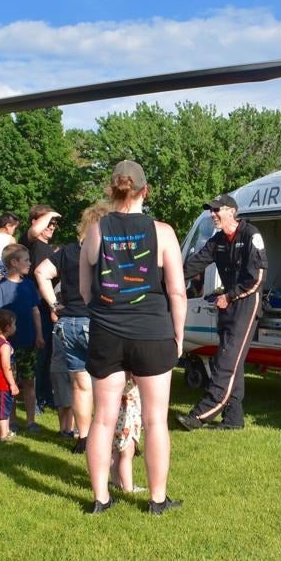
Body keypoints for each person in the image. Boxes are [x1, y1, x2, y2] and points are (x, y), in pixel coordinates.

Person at [80, 160, 186, 514]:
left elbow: (85, 290)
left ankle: (101, 498)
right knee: (155, 419)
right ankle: (157, 499)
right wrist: (179, 335)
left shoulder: (96, 230)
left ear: (112, 189)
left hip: (107, 332)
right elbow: (177, 292)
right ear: (145, 190)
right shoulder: (163, 232)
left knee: (102, 418)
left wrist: (106, 313)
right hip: (152, 332)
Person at [177, 192, 267, 431]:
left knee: (225, 362)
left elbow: (257, 278)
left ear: (232, 212)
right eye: (211, 210)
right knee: (231, 360)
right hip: (228, 303)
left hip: (246, 303)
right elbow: (193, 264)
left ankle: (200, 415)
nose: (212, 214)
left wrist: (229, 296)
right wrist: (165, 279)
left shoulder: (251, 235)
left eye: (217, 210)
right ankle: (233, 419)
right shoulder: (217, 240)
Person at [34, 201, 109, 452]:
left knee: (80, 384)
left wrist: (54, 305)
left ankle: (83, 438)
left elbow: (41, 272)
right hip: (97, 321)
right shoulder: (106, 251)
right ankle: (112, 436)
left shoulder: (68, 251)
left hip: (68, 324)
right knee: (108, 383)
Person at [0, 243, 43, 433]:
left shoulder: (28, 285)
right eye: (26, 260)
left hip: (29, 341)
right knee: (9, 381)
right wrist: (1, 340)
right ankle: (11, 420)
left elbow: (35, 311)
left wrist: (39, 334)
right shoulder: (0, 287)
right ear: (14, 262)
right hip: (9, 346)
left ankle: (30, 420)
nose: (30, 263)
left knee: (29, 381)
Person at [24, 204, 62, 413]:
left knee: (48, 355)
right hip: (37, 308)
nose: (52, 226)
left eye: (54, 223)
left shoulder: (48, 249)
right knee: (38, 356)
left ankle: (46, 396)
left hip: (48, 308)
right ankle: (36, 399)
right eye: (48, 222)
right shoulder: (32, 244)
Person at [0, 309, 20, 441]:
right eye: (14, 324)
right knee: (1, 409)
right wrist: (12, 384)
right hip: (1, 383)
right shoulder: (4, 346)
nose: (15, 327)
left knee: (5, 408)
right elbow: (6, 366)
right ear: (7, 327)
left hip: (0, 383)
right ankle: (2, 434)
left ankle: (6, 431)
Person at [110, 378, 144, 493]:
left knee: (115, 451)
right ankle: (128, 487)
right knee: (127, 454)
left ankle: (116, 482)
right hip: (128, 417)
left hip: (116, 413)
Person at [0, 211, 20, 278]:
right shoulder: (11, 239)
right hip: (4, 271)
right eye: (15, 228)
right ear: (8, 226)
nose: (15, 231)